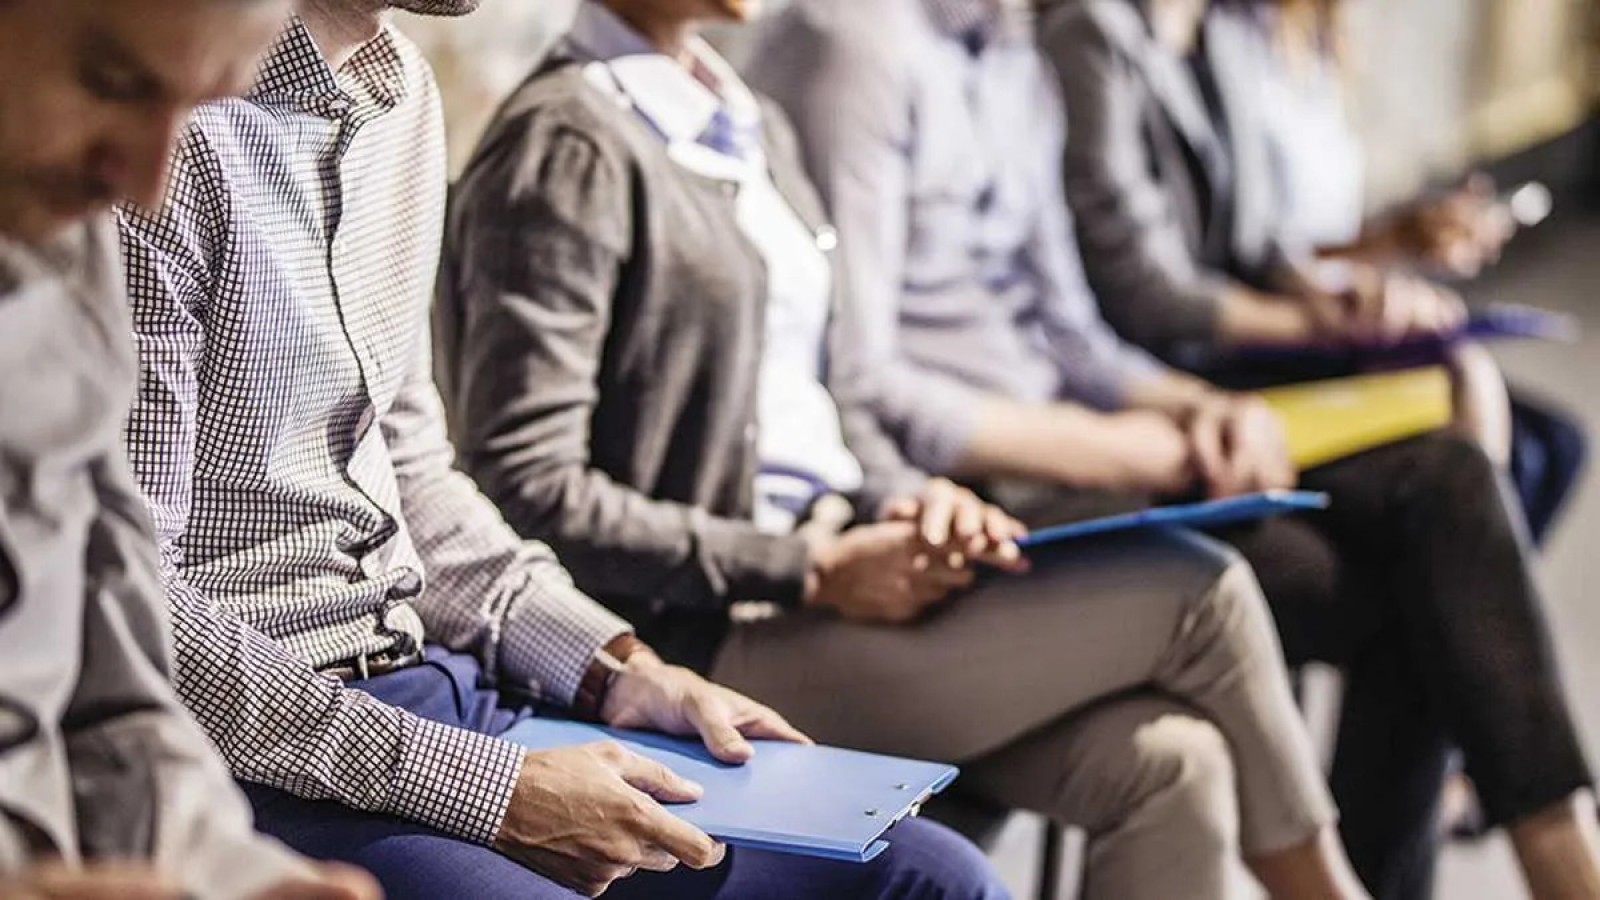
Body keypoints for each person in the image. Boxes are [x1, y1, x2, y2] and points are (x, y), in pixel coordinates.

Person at [436, 1, 1375, 898]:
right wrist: (809, 568)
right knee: (1201, 592)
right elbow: (527, 483)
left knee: (1173, 761)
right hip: (710, 632)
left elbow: (831, 396)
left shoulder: (745, 114)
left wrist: (914, 498)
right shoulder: (567, 141)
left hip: (845, 565)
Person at [111, 1, 1008, 898]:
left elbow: (415, 474)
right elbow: (132, 607)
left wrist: (618, 669)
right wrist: (487, 791)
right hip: (264, 744)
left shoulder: (402, 99)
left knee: (930, 876)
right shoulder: (161, 137)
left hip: (433, 685)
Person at [744, 1, 1600, 899]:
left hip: (1077, 432)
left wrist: (1200, 411)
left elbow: (1075, 335)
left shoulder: (1010, 51)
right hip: (984, 485)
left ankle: (1545, 867)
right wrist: (1134, 448)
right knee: (1420, 574)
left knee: (1446, 491)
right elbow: (867, 381)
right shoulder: (861, 47)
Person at [0, 1, 381, 898]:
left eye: (206, 103)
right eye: (115, 84)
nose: (148, 185)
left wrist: (232, 873)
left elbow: (121, 695)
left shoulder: (64, 241)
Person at [1218, 0, 1586, 544]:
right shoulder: (1230, 42)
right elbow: (1244, 254)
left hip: (1343, 316)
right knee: (1492, 440)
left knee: (1560, 444)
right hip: (1281, 332)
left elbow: (1321, 231)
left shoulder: (1318, 43)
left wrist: (1403, 236)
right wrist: (1354, 287)